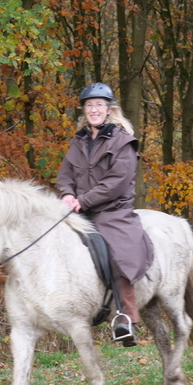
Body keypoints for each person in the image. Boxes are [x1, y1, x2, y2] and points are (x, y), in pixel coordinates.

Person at [56, 82, 153, 347]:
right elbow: (65, 175)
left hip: (112, 211)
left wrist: (83, 200)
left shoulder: (123, 141)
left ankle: (126, 317)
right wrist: (66, 194)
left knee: (117, 253)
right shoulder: (79, 141)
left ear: (109, 110)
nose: (94, 109)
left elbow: (117, 181)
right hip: (79, 209)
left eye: (99, 104)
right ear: (84, 110)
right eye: (89, 105)